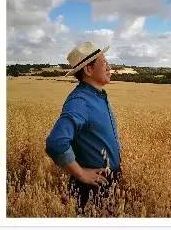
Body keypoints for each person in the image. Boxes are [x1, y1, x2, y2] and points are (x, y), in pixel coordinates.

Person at [45, 41, 122, 214]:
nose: (110, 67)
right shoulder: (80, 102)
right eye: (104, 63)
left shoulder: (97, 95)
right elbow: (56, 142)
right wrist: (80, 173)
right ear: (88, 70)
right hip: (93, 186)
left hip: (109, 181)